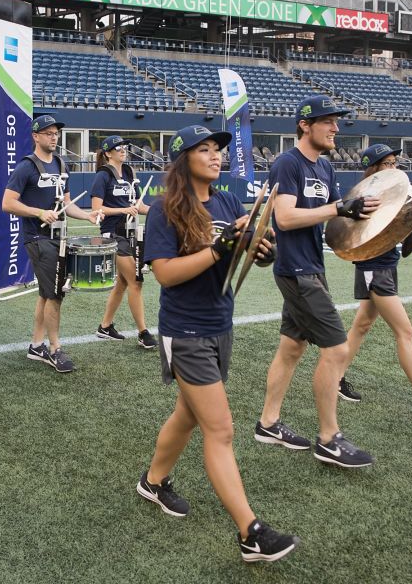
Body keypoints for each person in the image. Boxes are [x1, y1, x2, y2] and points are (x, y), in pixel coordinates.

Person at [137, 124, 298, 564]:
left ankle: (152, 481)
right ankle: (251, 532)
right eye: (203, 149)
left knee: (188, 415)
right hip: (185, 331)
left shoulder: (226, 200)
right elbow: (166, 274)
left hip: (219, 325)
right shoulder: (163, 210)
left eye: (217, 149)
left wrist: (256, 251)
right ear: (182, 159)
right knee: (220, 430)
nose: (215, 156)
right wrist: (218, 247)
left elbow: (239, 250)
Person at [254, 96, 380, 468]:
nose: (336, 128)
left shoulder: (325, 167)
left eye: (337, 122)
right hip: (295, 270)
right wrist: (339, 208)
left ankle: (268, 423)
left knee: (292, 348)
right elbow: (286, 218)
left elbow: (336, 223)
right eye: (328, 122)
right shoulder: (287, 164)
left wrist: (381, 221)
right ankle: (329, 438)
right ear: (305, 125)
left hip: (313, 267)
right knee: (337, 350)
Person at [336, 144, 412, 415]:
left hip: (385, 266)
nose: (394, 168)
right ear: (373, 169)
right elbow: (362, 239)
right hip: (375, 271)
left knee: (362, 326)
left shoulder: (389, 196)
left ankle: (335, 378)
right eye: (387, 164)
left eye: (395, 162)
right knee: (405, 332)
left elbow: (398, 240)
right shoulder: (365, 199)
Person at [2, 115, 102, 374]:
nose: (53, 137)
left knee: (47, 293)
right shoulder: (27, 167)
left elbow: (67, 205)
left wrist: (87, 215)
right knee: (55, 295)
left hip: (59, 238)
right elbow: (8, 203)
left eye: (55, 133)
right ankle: (55, 348)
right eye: (47, 133)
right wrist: (38, 212)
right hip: (37, 238)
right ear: (35, 136)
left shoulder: (61, 164)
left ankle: (36, 345)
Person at [89, 135, 156, 350]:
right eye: (118, 147)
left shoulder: (128, 172)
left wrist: (159, 210)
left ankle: (105, 326)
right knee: (136, 281)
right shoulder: (103, 175)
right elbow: (97, 209)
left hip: (131, 233)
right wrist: (122, 210)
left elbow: (139, 204)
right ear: (108, 153)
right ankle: (143, 332)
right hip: (112, 234)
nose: (123, 150)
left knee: (124, 282)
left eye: (125, 147)